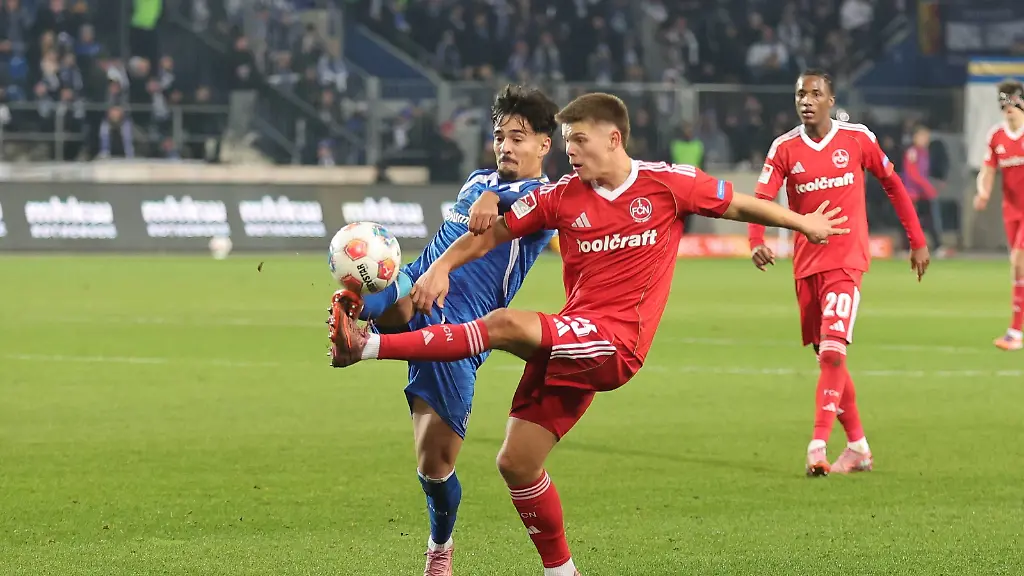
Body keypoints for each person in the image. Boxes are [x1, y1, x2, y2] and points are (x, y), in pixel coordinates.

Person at [329, 92, 849, 576]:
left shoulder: (667, 183)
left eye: (579, 140)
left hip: (616, 341)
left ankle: (367, 346)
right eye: (568, 140)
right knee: (516, 462)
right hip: (573, 339)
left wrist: (802, 223)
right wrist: (444, 260)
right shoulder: (563, 197)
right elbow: (500, 231)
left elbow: (736, 203)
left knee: (503, 325)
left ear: (613, 139)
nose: (572, 152)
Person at [337, 84, 560, 576]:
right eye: (500, 135)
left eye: (519, 137)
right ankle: (358, 314)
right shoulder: (477, 180)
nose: (505, 145)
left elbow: (507, 213)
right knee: (381, 281)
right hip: (417, 283)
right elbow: (475, 205)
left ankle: (441, 545)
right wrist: (483, 192)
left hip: (461, 329)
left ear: (545, 144)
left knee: (434, 465)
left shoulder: (545, 199)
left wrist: (491, 199)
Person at [747, 69, 930, 477]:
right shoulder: (784, 148)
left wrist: (916, 239)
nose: (807, 100)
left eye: (815, 93)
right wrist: (755, 239)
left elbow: (894, 184)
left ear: (831, 100)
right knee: (828, 357)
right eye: (801, 94)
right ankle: (859, 448)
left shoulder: (858, 139)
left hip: (847, 261)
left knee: (832, 351)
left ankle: (817, 446)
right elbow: (761, 197)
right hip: (806, 265)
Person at [974, 79, 1024, 351]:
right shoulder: (996, 136)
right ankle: (1015, 330)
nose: (1008, 107)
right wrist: (983, 192)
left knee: (1019, 261)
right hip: (1011, 210)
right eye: (1003, 102)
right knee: (1017, 269)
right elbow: (988, 169)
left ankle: (1015, 332)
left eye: (1012, 101)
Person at [902, 124, 944, 253]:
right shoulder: (912, 152)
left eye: (927, 137)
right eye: (923, 136)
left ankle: (937, 246)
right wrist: (928, 187)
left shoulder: (925, 153)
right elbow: (913, 174)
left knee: (929, 220)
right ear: (915, 138)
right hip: (912, 193)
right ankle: (907, 247)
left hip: (922, 194)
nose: (925, 139)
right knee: (911, 220)